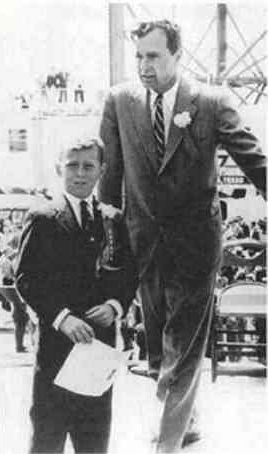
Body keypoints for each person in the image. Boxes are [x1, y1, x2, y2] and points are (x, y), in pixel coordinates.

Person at [99, 19, 266, 453]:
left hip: (196, 248)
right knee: (158, 351)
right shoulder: (119, 101)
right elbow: (109, 177)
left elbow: (253, 158)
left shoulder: (210, 102)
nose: (143, 65)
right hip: (142, 245)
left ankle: (167, 444)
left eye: (153, 56)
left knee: (184, 349)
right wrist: (104, 235)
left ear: (178, 55)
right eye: (138, 56)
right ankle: (187, 420)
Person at [15, 136, 135, 453]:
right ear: (59, 167)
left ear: (102, 170)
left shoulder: (113, 219)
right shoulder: (42, 217)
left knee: (94, 440)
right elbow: (26, 278)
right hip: (56, 351)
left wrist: (115, 306)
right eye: (72, 165)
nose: (80, 174)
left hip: (99, 350)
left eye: (88, 166)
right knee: (47, 438)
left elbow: (129, 274)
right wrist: (62, 318)